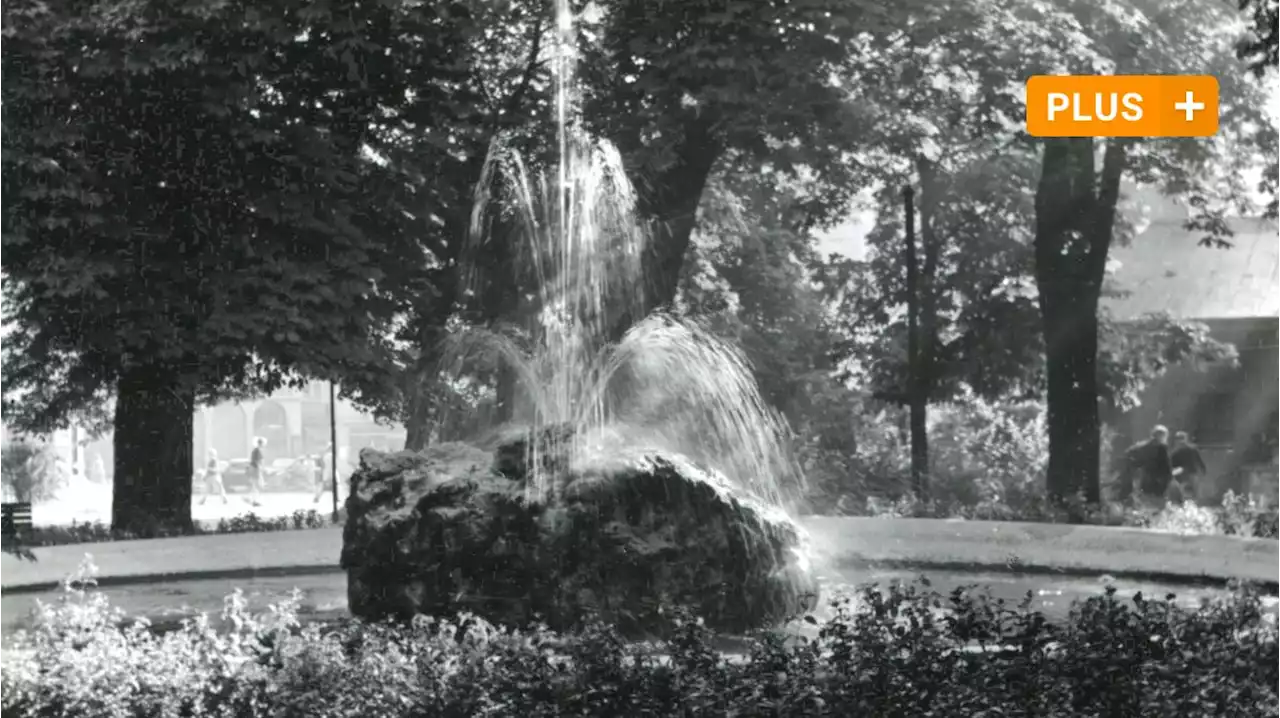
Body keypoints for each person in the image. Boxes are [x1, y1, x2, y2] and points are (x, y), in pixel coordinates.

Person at [1121, 425, 1174, 507]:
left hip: (1145, 481)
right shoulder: (1161, 449)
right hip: (1157, 483)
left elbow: (1128, 455)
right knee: (1156, 507)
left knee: (1146, 504)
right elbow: (1166, 468)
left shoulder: (1142, 446)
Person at [1170, 431, 1207, 503]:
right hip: (1190, 474)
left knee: (1185, 492)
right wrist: (1203, 469)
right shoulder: (1192, 449)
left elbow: (1172, 465)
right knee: (1193, 492)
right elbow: (1199, 460)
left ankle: (1187, 506)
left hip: (1183, 474)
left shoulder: (1176, 452)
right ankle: (1192, 506)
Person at [247, 436, 266, 507]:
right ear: (261, 443)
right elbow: (258, 461)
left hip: (253, 468)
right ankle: (255, 500)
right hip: (256, 469)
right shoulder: (258, 451)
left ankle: (253, 499)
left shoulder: (255, 450)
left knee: (255, 485)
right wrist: (260, 470)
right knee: (259, 485)